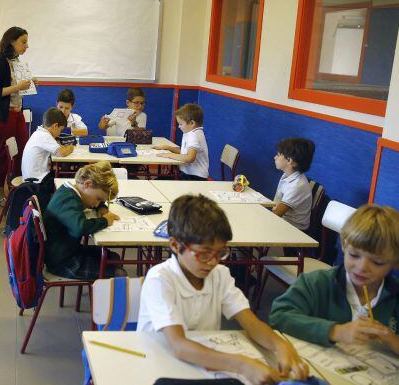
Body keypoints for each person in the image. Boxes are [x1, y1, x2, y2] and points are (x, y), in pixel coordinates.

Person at [138, 195, 309, 384]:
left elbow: (251, 323)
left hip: (204, 363)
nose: (213, 262)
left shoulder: (219, 274)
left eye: (220, 253)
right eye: (204, 254)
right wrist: (243, 365)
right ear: (175, 245)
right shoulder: (160, 279)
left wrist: (280, 346)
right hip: (158, 364)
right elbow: (179, 346)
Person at [270, 204, 399, 355]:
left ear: (395, 262)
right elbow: (279, 316)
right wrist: (335, 331)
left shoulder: (395, 293)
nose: (362, 267)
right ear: (344, 246)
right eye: (354, 255)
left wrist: (391, 339)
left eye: (377, 262)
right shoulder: (317, 283)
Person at [43, 161, 126, 280]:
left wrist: (101, 207)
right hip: (63, 262)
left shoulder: (69, 191)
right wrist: (105, 221)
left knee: (112, 256)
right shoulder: (68, 200)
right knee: (119, 274)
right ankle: (106, 289)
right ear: (87, 184)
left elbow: (93, 199)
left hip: (69, 250)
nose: (96, 204)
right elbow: (80, 228)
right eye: (98, 199)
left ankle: (102, 288)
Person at [0, 26, 33, 207]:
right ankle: (0, 193)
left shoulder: (17, 61)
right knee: (3, 154)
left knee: (22, 150)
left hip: (16, 112)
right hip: (1, 115)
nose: (26, 46)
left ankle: (16, 188)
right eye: (23, 42)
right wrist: (18, 87)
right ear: (11, 42)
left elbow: (17, 86)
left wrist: (30, 84)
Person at [21, 108, 74, 189]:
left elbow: (59, 147)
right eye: (60, 130)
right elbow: (62, 153)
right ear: (55, 126)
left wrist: (64, 148)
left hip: (31, 177)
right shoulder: (45, 136)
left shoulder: (40, 132)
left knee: (60, 173)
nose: (59, 133)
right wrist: (71, 148)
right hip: (36, 183)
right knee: (65, 181)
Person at [154, 103, 209, 180]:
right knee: (160, 179)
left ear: (192, 123)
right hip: (188, 173)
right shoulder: (191, 132)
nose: (179, 127)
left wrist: (169, 155)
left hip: (194, 177)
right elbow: (184, 152)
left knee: (160, 181)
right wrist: (167, 147)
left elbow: (190, 158)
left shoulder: (194, 136)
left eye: (181, 124)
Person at [272, 138, 315, 231]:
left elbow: (277, 214)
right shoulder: (287, 174)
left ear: (289, 160)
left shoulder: (297, 186)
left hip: (293, 229)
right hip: (282, 220)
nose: (275, 157)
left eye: (278, 155)